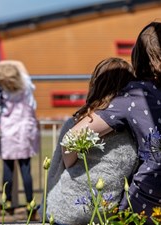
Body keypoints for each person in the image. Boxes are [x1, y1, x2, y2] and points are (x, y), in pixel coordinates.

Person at [63, 22, 161, 222]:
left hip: (151, 204)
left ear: (139, 55)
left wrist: (72, 169)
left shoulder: (135, 94)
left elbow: (71, 139)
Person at [43, 57, 139, 225]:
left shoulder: (76, 123)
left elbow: (58, 168)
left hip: (70, 209)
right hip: (92, 213)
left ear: (96, 83)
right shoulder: (133, 129)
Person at [0, 60, 40, 211]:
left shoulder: (1, 90)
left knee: (7, 167)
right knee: (25, 168)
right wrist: (13, 62)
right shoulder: (26, 86)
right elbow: (22, 68)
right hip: (25, 130)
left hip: (8, 131)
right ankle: (29, 201)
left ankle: (6, 200)